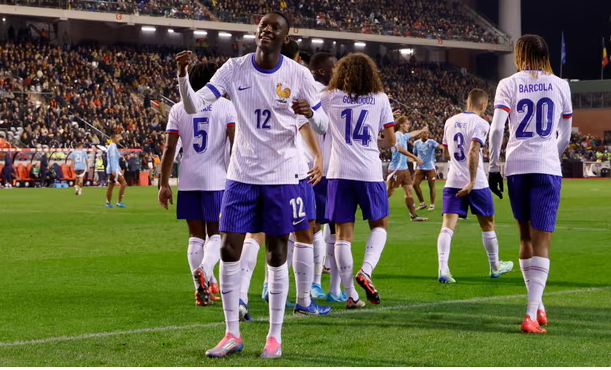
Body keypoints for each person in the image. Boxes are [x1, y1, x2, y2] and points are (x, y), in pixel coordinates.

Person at [175, 11, 329, 359]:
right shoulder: (234, 68)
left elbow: (322, 126)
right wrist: (183, 77)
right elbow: (195, 105)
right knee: (229, 248)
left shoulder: (297, 74)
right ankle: (231, 334)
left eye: (275, 27)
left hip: (282, 177)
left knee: (277, 252)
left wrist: (310, 112)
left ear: (285, 38)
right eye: (263, 26)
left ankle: (274, 337)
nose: (267, 30)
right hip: (240, 176)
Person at [238, 40, 331, 320]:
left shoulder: (252, 78)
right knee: (304, 232)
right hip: (292, 172)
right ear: (298, 57)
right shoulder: (297, 79)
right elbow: (308, 123)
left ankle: (244, 294)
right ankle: (303, 300)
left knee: (257, 233)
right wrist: (318, 155)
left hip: (253, 171)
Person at [488, 35, 573, 334]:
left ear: (520, 54)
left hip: (516, 167)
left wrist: (493, 167)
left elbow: (497, 128)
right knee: (543, 243)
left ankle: (537, 305)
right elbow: (565, 133)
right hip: (546, 166)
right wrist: (552, 154)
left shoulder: (508, 83)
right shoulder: (561, 84)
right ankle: (529, 315)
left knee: (525, 238)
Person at [158, 62, 236, 307]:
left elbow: (170, 148)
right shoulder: (226, 107)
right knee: (217, 233)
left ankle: (200, 290)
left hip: (188, 178)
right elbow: (235, 146)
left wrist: (163, 183)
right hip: (217, 178)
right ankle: (205, 269)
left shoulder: (179, 109)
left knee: (195, 236)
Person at [323, 53, 395, 309]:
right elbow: (390, 140)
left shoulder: (329, 98)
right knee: (379, 225)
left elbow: (314, 122)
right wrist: (370, 142)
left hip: (338, 172)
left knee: (342, 236)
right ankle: (366, 270)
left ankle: (351, 294)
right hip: (369, 172)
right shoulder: (380, 98)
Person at [437, 88, 513, 284]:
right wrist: (471, 181)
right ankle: (495, 267)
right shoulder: (481, 123)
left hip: (453, 181)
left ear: (467, 101)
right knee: (488, 225)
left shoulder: (449, 121)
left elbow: (446, 154)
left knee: (447, 226)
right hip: (476, 182)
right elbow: (473, 151)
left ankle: (443, 268)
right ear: (483, 105)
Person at [386, 116, 428, 222]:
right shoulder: (397, 135)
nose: (408, 126)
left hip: (404, 168)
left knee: (409, 191)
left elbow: (412, 133)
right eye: (407, 124)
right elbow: (399, 149)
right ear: (401, 124)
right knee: (389, 192)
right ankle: (372, 206)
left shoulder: (403, 136)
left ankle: (413, 216)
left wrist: (422, 130)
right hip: (396, 168)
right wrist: (414, 157)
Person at [413, 130, 444, 211]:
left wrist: (443, 147)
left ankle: (432, 204)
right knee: (415, 184)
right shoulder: (416, 143)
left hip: (430, 167)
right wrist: (415, 163)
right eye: (424, 133)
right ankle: (422, 203)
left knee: (431, 186)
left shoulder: (431, 142)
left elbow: (439, 146)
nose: (426, 134)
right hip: (420, 168)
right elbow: (415, 154)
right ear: (420, 134)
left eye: (427, 133)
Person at [105, 133, 127, 208]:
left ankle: (108, 203)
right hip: (114, 169)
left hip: (111, 169)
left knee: (111, 185)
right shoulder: (113, 147)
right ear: (113, 139)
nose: (119, 139)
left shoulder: (111, 146)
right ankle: (119, 202)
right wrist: (114, 170)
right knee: (124, 183)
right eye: (117, 138)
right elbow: (113, 159)